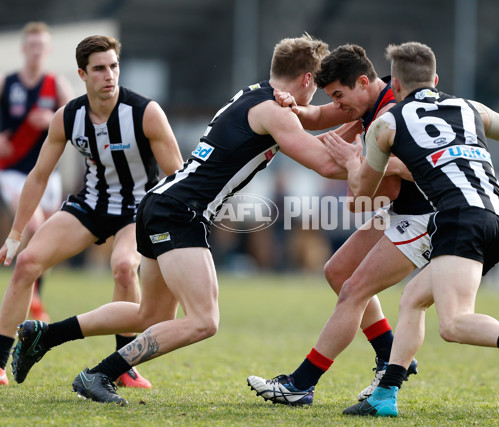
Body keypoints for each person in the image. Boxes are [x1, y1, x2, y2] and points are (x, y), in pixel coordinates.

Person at [10, 34, 372, 406]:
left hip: (160, 202)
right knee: (204, 320)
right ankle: (99, 374)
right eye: (322, 88)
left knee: (149, 314)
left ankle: (46, 335)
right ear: (308, 80)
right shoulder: (274, 112)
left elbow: (322, 120)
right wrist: (365, 150)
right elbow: (328, 162)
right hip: (181, 212)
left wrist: (365, 115)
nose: (326, 100)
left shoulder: (256, 96)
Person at [322, 41, 499, 417]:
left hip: (460, 219)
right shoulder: (469, 108)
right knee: (413, 299)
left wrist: (352, 161)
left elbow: (364, 189)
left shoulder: (387, 122)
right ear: (435, 79)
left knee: (454, 323)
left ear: (393, 85)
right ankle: (385, 395)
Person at [0, 35, 183, 389]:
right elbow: (38, 177)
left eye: (113, 66)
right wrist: (16, 234)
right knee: (26, 263)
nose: (109, 75)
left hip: (138, 209)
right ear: (82, 74)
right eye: (99, 69)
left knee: (124, 267)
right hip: (91, 205)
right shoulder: (69, 117)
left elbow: (177, 178)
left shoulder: (145, 112)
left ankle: (123, 366)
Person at [247, 44, 424, 406]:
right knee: (338, 271)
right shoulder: (372, 101)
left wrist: (357, 163)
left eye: (341, 97)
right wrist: (289, 105)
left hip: (424, 213)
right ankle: (390, 353)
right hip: (401, 209)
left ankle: (300, 384)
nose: (338, 106)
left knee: (356, 291)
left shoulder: (388, 112)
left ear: (362, 82)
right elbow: (317, 117)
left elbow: (378, 189)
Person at [0, 22, 74, 324]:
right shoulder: (8, 83)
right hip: (14, 172)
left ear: (48, 50)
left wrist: (54, 119)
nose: (35, 51)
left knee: (46, 235)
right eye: (31, 46)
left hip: (47, 173)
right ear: (23, 49)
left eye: (41, 46)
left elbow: (75, 118)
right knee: (33, 225)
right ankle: (30, 293)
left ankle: (36, 293)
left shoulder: (56, 85)